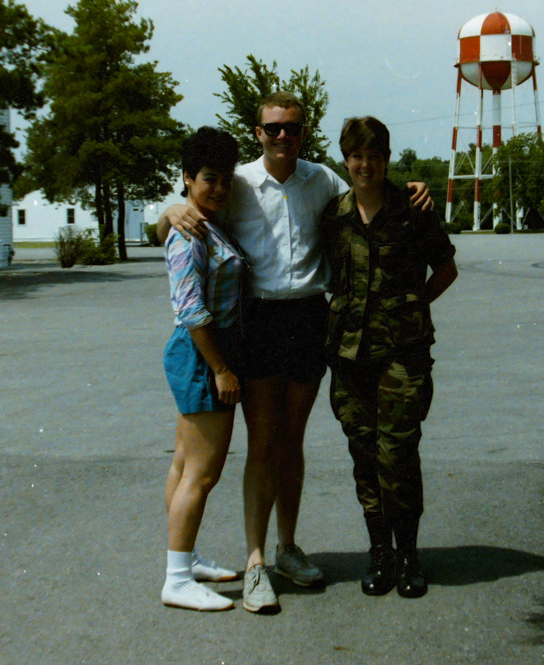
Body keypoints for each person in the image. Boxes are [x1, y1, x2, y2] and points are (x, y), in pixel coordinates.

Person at [157, 92, 432, 613]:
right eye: (272, 128)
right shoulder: (235, 184)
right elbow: (182, 213)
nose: (283, 136)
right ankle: (257, 560)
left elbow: (372, 188)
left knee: (293, 442)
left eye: (293, 128)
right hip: (257, 322)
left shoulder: (323, 180)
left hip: (309, 320)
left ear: (305, 132)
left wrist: (417, 190)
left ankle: (287, 548)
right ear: (258, 131)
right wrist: (169, 212)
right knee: (263, 443)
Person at [322, 117, 458, 599]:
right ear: (346, 160)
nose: (365, 164)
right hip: (349, 357)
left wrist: (413, 304)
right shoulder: (334, 215)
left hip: (402, 356)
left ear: (387, 158)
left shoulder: (413, 208)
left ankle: (409, 555)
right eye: (356, 156)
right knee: (364, 457)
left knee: (398, 456)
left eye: (374, 155)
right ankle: (379, 553)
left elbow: (446, 268)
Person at [160, 127, 246, 611]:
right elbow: (190, 309)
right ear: (188, 179)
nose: (218, 188)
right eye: (208, 178)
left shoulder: (207, 223)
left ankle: (184, 560)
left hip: (206, 349)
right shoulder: (188, 231)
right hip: (203, 352)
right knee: (203, 470)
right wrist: (221, 369)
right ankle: (176, 579)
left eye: (226, 179)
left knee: (183, 462)